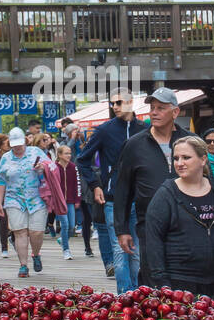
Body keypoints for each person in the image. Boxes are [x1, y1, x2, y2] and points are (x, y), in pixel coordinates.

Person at [145, 136, 214, 302]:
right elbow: (153, 240)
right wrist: (162, 283)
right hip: (181, 286)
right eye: (176, 158)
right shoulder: (165, 195)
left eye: (186, 157)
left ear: (203, 159)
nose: (179, 163)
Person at [113, 88, 187, 286]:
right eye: (152, 108)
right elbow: (122, 190)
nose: (154, 112)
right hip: (149, 223)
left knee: (184, 277)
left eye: (161, 108)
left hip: (186, 223)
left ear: (175, 112)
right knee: (151, 276)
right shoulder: (135, 144)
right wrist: (121, 229)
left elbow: (206, 180)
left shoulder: (189, 142)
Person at [77, 93, 146, 291]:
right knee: (119, 249)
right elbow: (82, 159)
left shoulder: (144, 129)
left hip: (139, 198)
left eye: (119, 102)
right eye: (112, 103)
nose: (115, 106)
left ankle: (135, 293)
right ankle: (124, 295)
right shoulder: (104, 130)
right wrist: (95, 185)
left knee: (136, 251)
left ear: (131, 103)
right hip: (112, 199)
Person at [0, 127, 50, 277]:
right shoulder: (6, 157)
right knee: (20, 232)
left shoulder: (36, 152)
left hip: (36, 197)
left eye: (20, 144)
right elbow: (1, 180)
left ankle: (36, 254)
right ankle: (23, 265)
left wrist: (42, 167)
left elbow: (52, 167)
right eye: (15, 144)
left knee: (36, 232)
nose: (18, 147)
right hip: (14, 199)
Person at [56, 144, 81, 260]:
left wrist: (77, 199)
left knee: (71, 226)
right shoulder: (54, 167)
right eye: (66, 153)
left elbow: (77, 184)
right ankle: (66, 250)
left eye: (70, 153)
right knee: (65, 224)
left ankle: (62, 239)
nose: (69, 155)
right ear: (59, 155)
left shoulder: (73, 167)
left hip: (71, 200)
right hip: (59, 202)